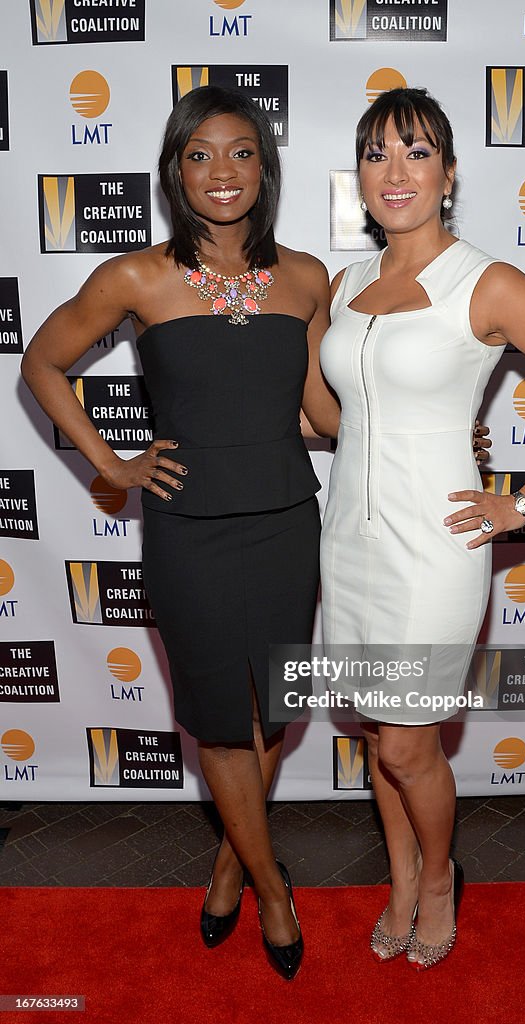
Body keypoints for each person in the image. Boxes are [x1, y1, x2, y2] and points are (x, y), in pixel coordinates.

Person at [21, 86, 339, 981]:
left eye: (240, 151)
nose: (222, 170)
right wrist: (109, 464)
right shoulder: (136, 276)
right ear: (174, 170)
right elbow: (41, 361)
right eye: (199, 154)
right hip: (188, 531)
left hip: (284, 521)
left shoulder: (305, 277)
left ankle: (230, 861)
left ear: (265, 166)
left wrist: (426, 434)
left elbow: (319, 413)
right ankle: (273, 887)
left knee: (270, 711)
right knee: (220, 723)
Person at [319, 87, 525, 971]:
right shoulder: (345, 287)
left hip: (434, 549)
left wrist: (521, 501)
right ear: (361, 180)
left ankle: (442, 879)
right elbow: (334, 413)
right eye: (377, 154)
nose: (396, 172)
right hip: (348, 540)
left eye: (416, 152)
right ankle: (402, 880)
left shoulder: (484, 281)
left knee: (410, 740)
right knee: (379, 734)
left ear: (448, 175)